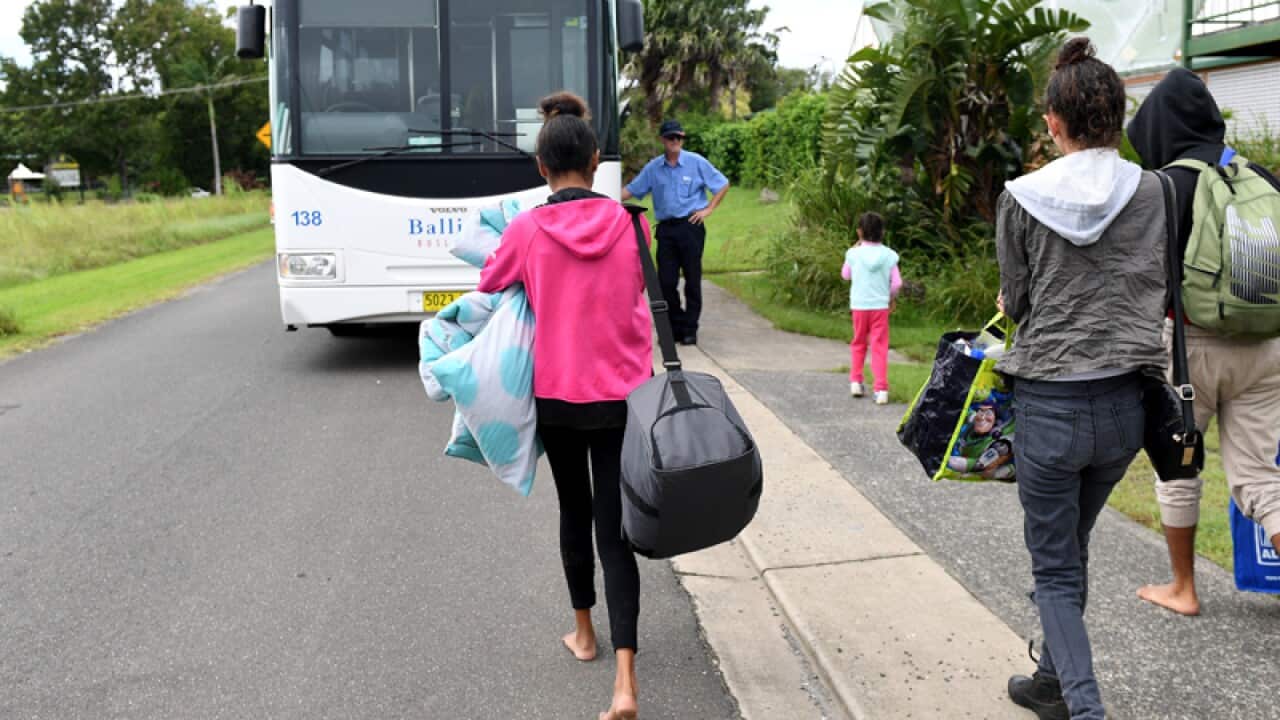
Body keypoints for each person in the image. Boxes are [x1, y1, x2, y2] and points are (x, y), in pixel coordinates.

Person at [995, 38, 1170, 720]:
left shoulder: (1021, 197)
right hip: (1126, 409)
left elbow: (1019, 301)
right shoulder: (1153, 189)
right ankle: (1050, 681)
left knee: (1056, 567)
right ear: (1117, 118)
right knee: (1071, 548)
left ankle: (1081, 707)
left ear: (1053, 122)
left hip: (1051, 408)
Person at [477, 92, 651, 720]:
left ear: (541, 168)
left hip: (558, 396)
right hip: (624, 397)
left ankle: (585, 635)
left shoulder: (527, 230)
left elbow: (490, 281)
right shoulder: (633, 224)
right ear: (598, 159)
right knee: (617, 529)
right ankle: (625, 683)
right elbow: (636, 289)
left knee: (574, 515)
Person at [1126, 68, 1280, 617]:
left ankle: (1184, 588)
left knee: (1180, 466)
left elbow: (1139, 277)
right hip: (1266, 349)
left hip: (1191, 350)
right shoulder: (1258, 176)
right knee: (1261, 478)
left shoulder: (1165, 186)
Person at [621, 119, 730, 346]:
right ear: (663, 140)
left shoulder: (696, 162)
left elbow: (722, 184)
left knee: (692, 280)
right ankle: (675, 326)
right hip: (667, 230)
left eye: (679, 138)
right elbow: (631, 190)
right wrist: (602, 198)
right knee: (666, 282)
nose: (675, 142)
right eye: (671, 138)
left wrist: (709, 209)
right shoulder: (654, 168)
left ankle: (690, 330)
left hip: (691, 227)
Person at [842, 211, 901, 405]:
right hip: (880, 307)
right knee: (879, 346)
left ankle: (856, 381)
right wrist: (891, 297)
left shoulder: (853, 254)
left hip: (859, 305)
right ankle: (881, 389)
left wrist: (853, 248)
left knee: (858, 342)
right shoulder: (889, 255)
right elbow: (897, 283)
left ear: (859, 232)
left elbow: (846, 275)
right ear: (882, 232)